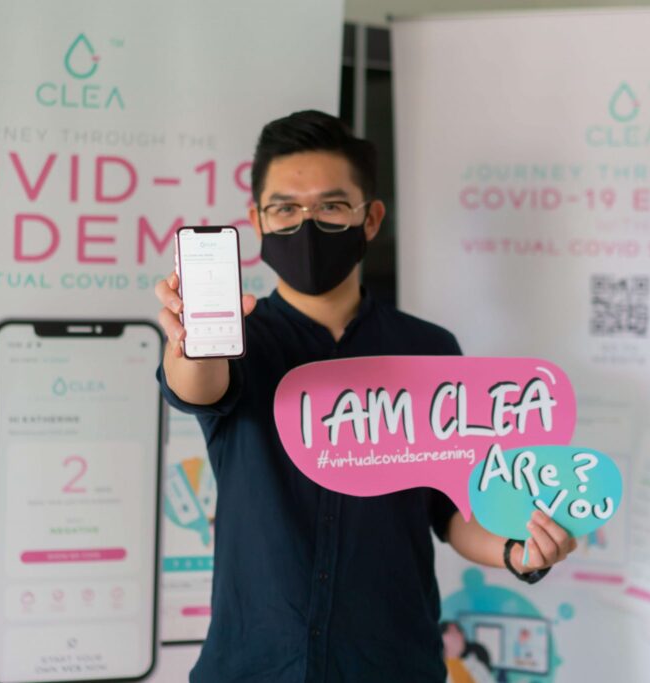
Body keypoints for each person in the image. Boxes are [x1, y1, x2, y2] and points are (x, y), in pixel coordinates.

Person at [154, 110, 576, 682]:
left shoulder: (427, 349)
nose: (307, 223)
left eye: (331, 206)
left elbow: (450, 510)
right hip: (253, 667)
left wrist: (514, 551)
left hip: (393, 664)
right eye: (285, 208)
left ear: (370, 218)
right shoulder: (237, 342)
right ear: (256, 220)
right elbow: (196, 387)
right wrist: (189, 343)